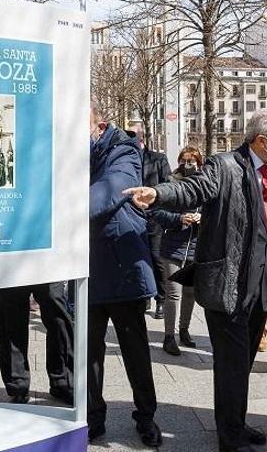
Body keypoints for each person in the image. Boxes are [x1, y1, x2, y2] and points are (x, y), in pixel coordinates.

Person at [125, 108, 267, 452]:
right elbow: (193, 188)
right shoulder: (224, 166)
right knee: (231, 364)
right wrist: (159, 194)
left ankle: (236, 421)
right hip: (229, 282)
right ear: (262, 140)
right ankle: (229, 438)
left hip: (261, 285)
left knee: (243, 360)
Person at [88, 107, 162, 447]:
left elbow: (110, 190)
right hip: (84, 268)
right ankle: (91, 418)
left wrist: (56, 211)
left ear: (99, 126)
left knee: (134, 349)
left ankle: (146, 416)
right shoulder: (65, 151)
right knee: (88, 352)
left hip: (122, 266)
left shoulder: (124, 150)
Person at [152, 146, 203, 355]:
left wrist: (203, 219)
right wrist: (179, 219)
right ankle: (168, 336)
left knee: (190, 293)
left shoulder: (205, 185)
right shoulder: (170, 183)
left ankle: (184, 330)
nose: (188, 165)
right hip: (173, 247)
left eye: (193, 161)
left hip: (195, 248)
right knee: (173, 294)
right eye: (184, 160)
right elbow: (157, 212)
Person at [0, 282, 74, 405]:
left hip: (48, 266)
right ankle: (17, 385)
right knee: (10, 318)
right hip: (8, 267)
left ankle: (62, 380)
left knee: (58, 317)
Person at [128, 124, 172, 319]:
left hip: (154, 217)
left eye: (133, 135)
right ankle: (142, 295)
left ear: (142, 137)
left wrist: (159, 209)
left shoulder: (158, 159)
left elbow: (168, 187)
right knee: (135, 258)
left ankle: (161, 300)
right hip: (131, 216)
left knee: (156, 258)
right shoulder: (125, 160)